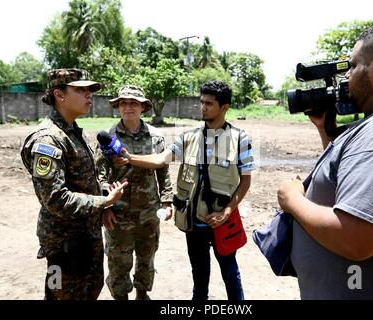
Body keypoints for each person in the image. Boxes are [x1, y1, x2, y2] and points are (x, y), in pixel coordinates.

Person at [277, 21, 373, 299]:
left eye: (351, 66)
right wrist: (325, 131)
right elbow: (358, 182)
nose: (346, 78)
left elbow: (356, 238)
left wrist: (293, 200)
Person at [116, 80, 256, 301]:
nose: (203, 107)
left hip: (222, 222)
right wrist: (131, 158)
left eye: (209, 103)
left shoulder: (240, 139)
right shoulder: (188, 137)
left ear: (225, 107)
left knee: (231, 274)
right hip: (194, 223)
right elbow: (162, 159)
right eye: (202, 102)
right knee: (199, 277)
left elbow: (245, 182)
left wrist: (226, 212)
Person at [20, 69, 128, 300]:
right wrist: (104, 201)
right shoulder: (47, 139)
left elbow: (85, 180)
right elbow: (55, 199)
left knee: (90, 291)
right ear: (59, 94)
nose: (89, 95)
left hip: (85, 237)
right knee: (58, 294)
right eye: (81, 90)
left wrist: (104, 207)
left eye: (90, 90)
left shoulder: (72, 132)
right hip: (63, 246)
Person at [95, 85, 173, 300]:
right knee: (119, 260)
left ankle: (142, 293)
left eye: (133, 103)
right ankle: (121, 297)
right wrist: (106, 207)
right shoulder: (108, 137)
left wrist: (166, 202)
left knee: (147, 258)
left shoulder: (155, 137)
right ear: (118, 107)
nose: (128, 106)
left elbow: (163, 171)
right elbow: (99, 176)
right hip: (119, 213)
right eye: (123, 103)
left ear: (143, 107)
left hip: (149, 210)